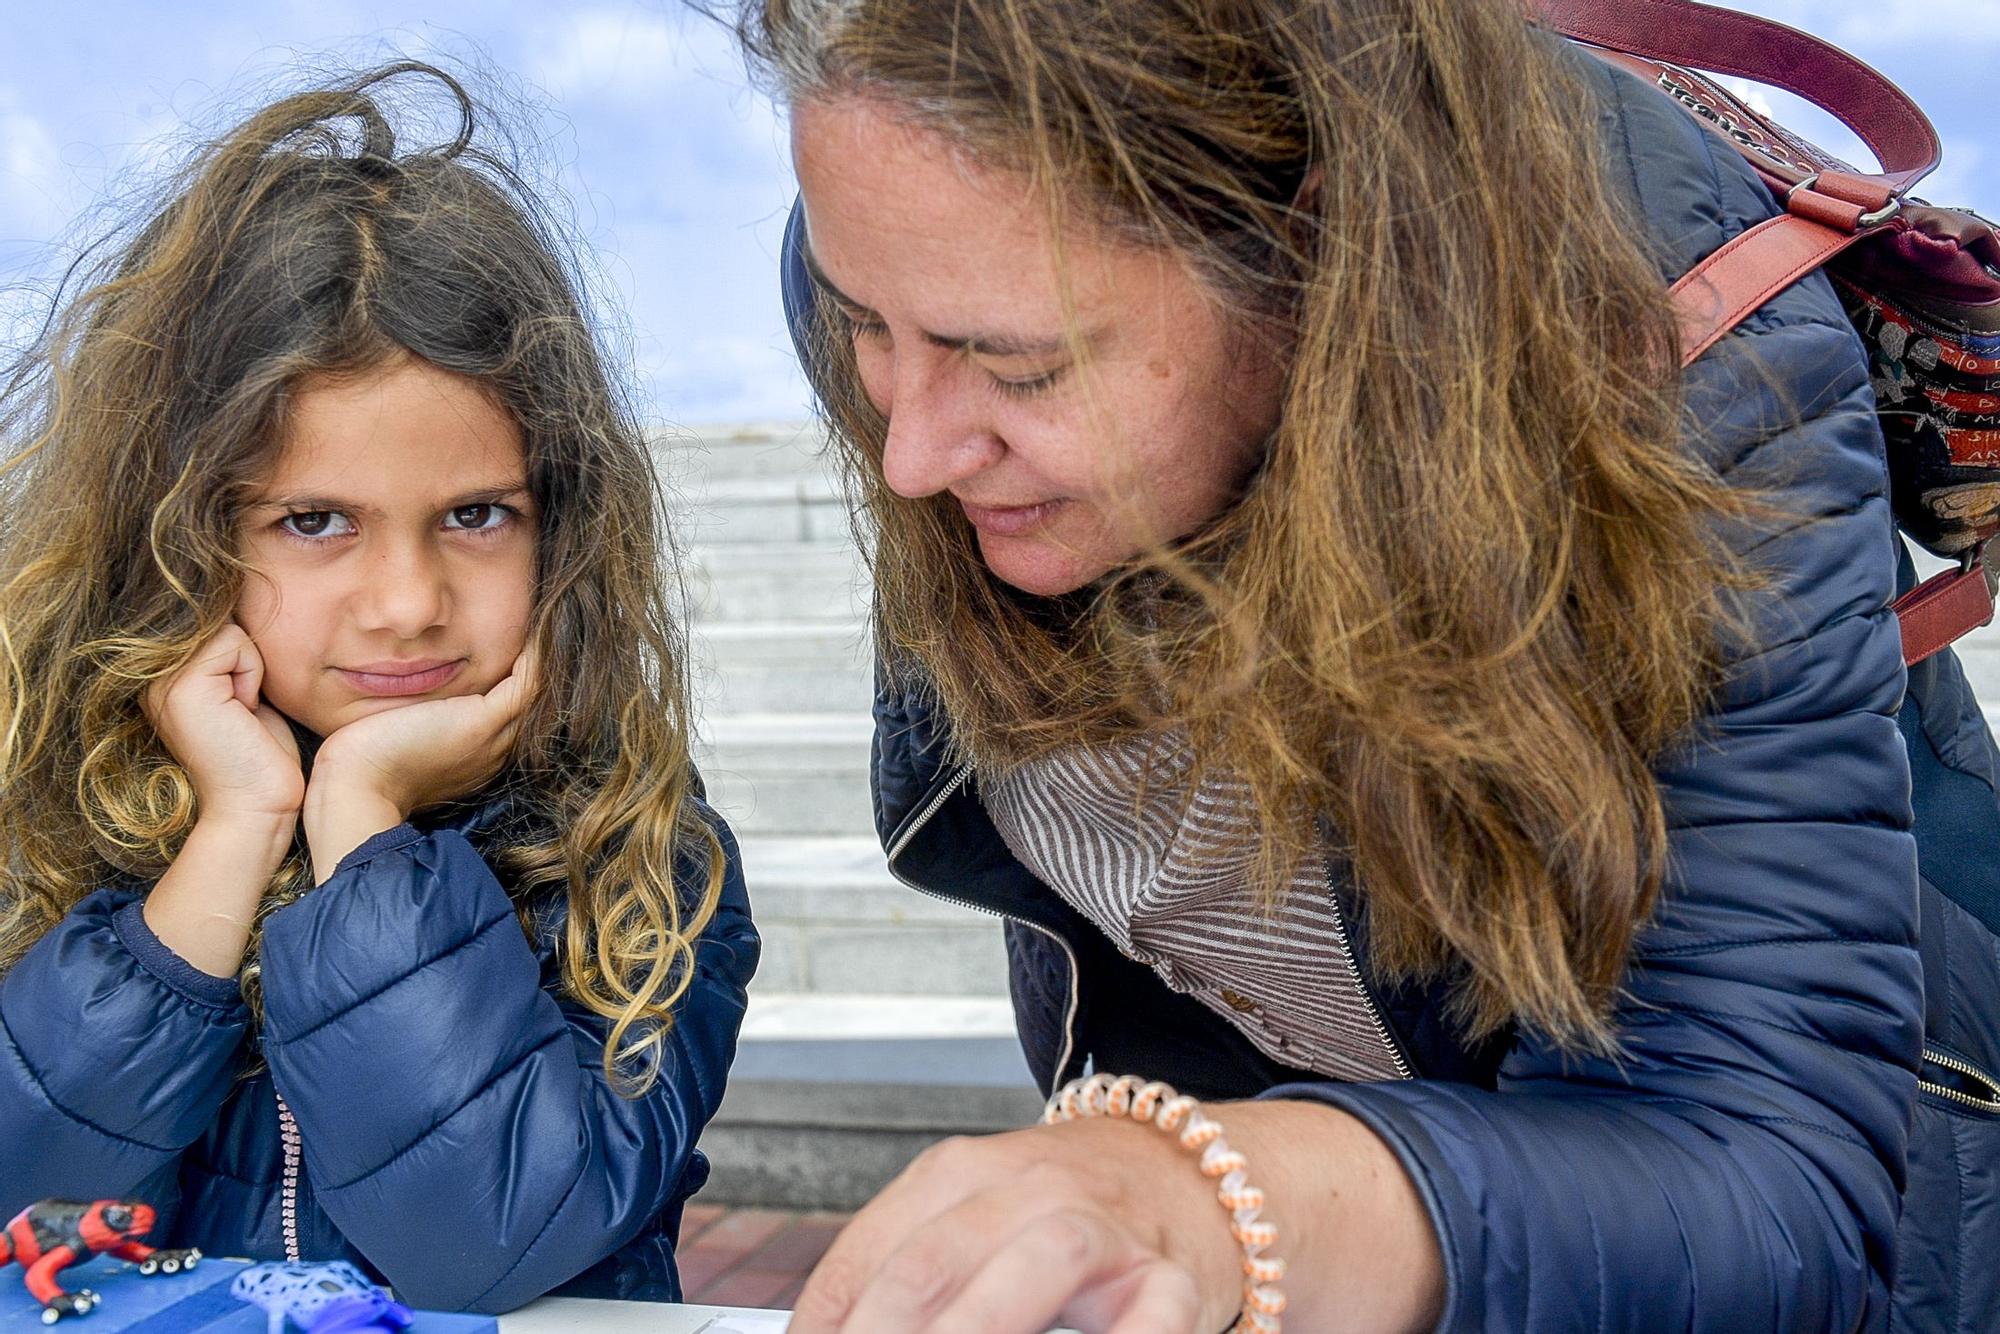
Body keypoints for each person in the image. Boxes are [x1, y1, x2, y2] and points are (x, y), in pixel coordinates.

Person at [731, 0, 2000, 1329]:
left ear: (1313, 242)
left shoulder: (1691, 349)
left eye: (1021, 366)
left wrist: (1205, 1191)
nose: (910, 458)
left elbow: (1766, 1178)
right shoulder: (927, 217)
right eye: (863, 321)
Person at [0, 63, 758, 1313]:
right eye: (313, 519)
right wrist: (235, 831)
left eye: (473, 514)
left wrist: (360, 820)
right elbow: (29, 1207)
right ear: (179, 532)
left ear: (559, 525)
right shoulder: (73, 819)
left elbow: (492, 1238)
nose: (406, 600)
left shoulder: (642, 864)